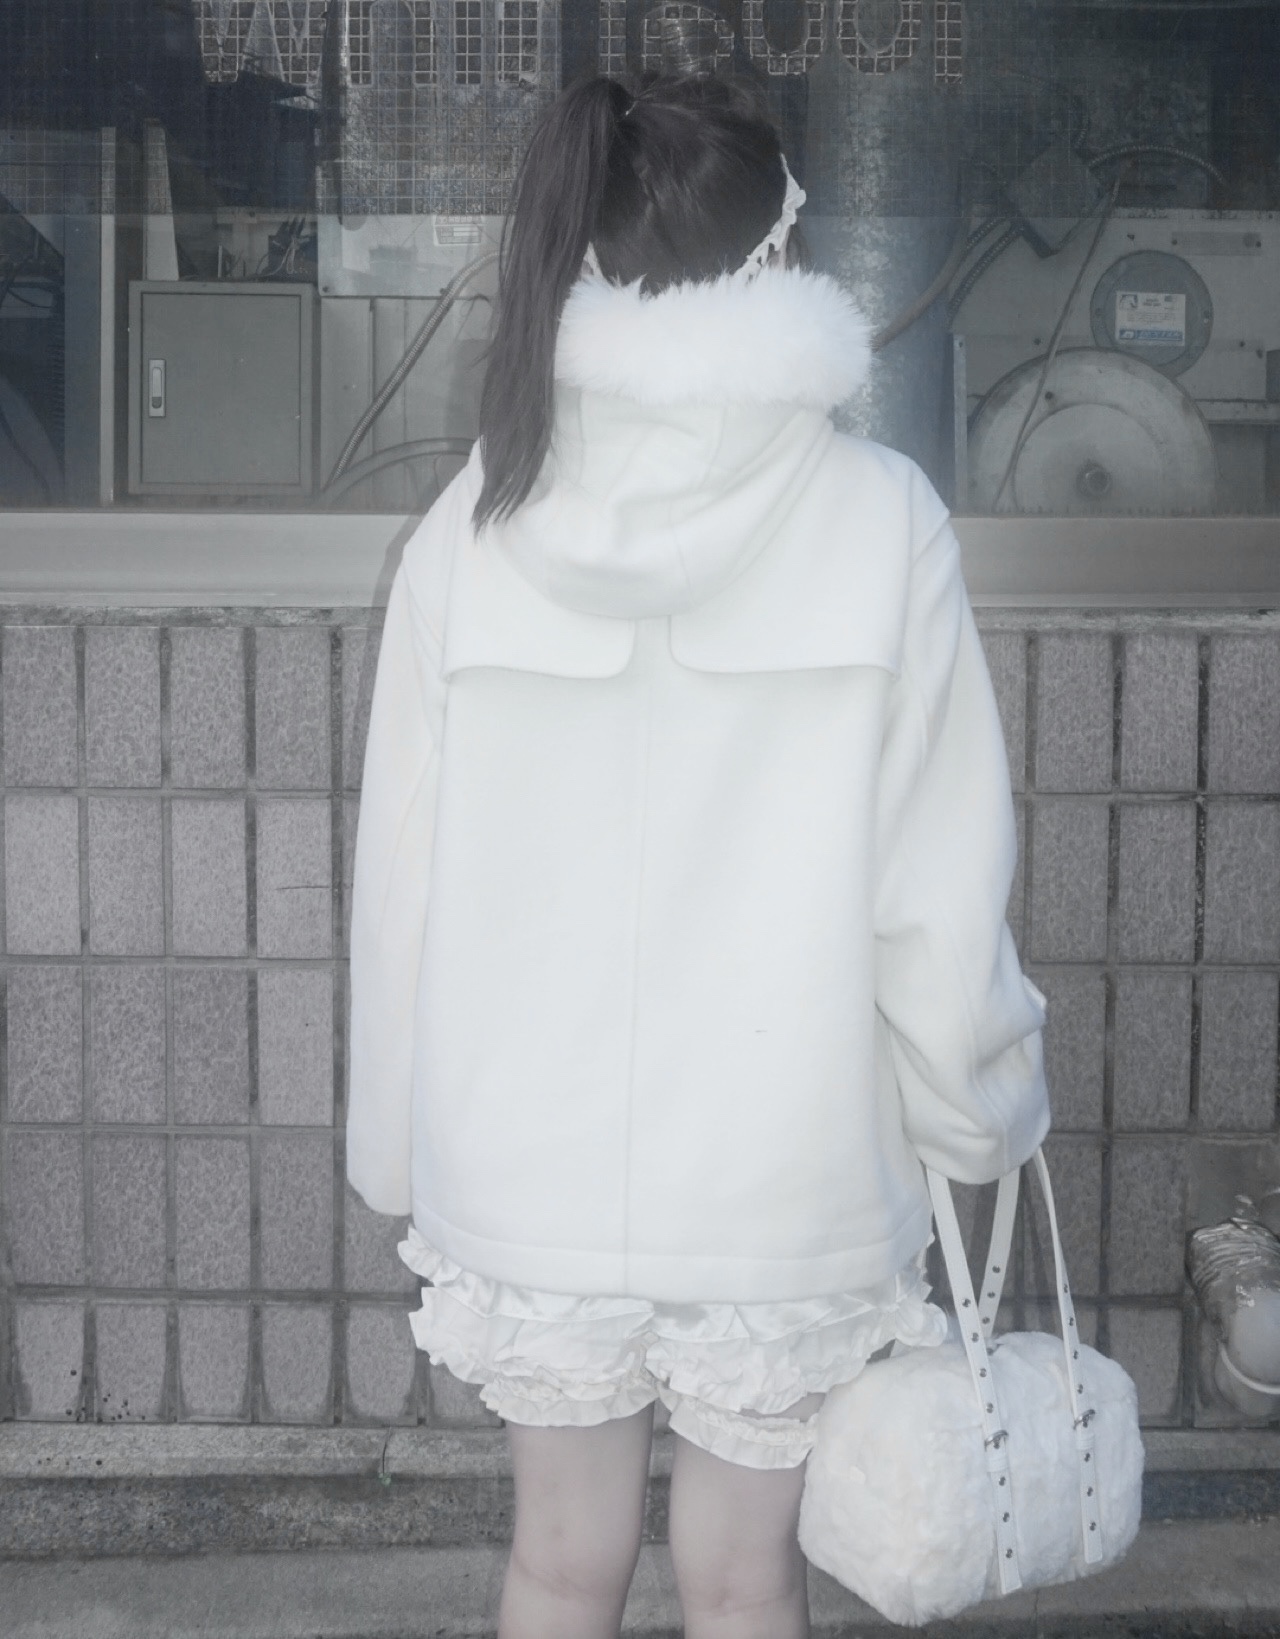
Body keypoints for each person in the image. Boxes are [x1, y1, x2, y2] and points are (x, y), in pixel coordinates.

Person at [346, 71, 1051, 1639]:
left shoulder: (477, 522)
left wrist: (398, 1139)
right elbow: (937, 895)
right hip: (786, 1168)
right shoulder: (882, 519)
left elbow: (403, 880)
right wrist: (978, 1114)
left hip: (527, 1156)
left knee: (556, 1565)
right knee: (747, 1581)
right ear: (778, 252)